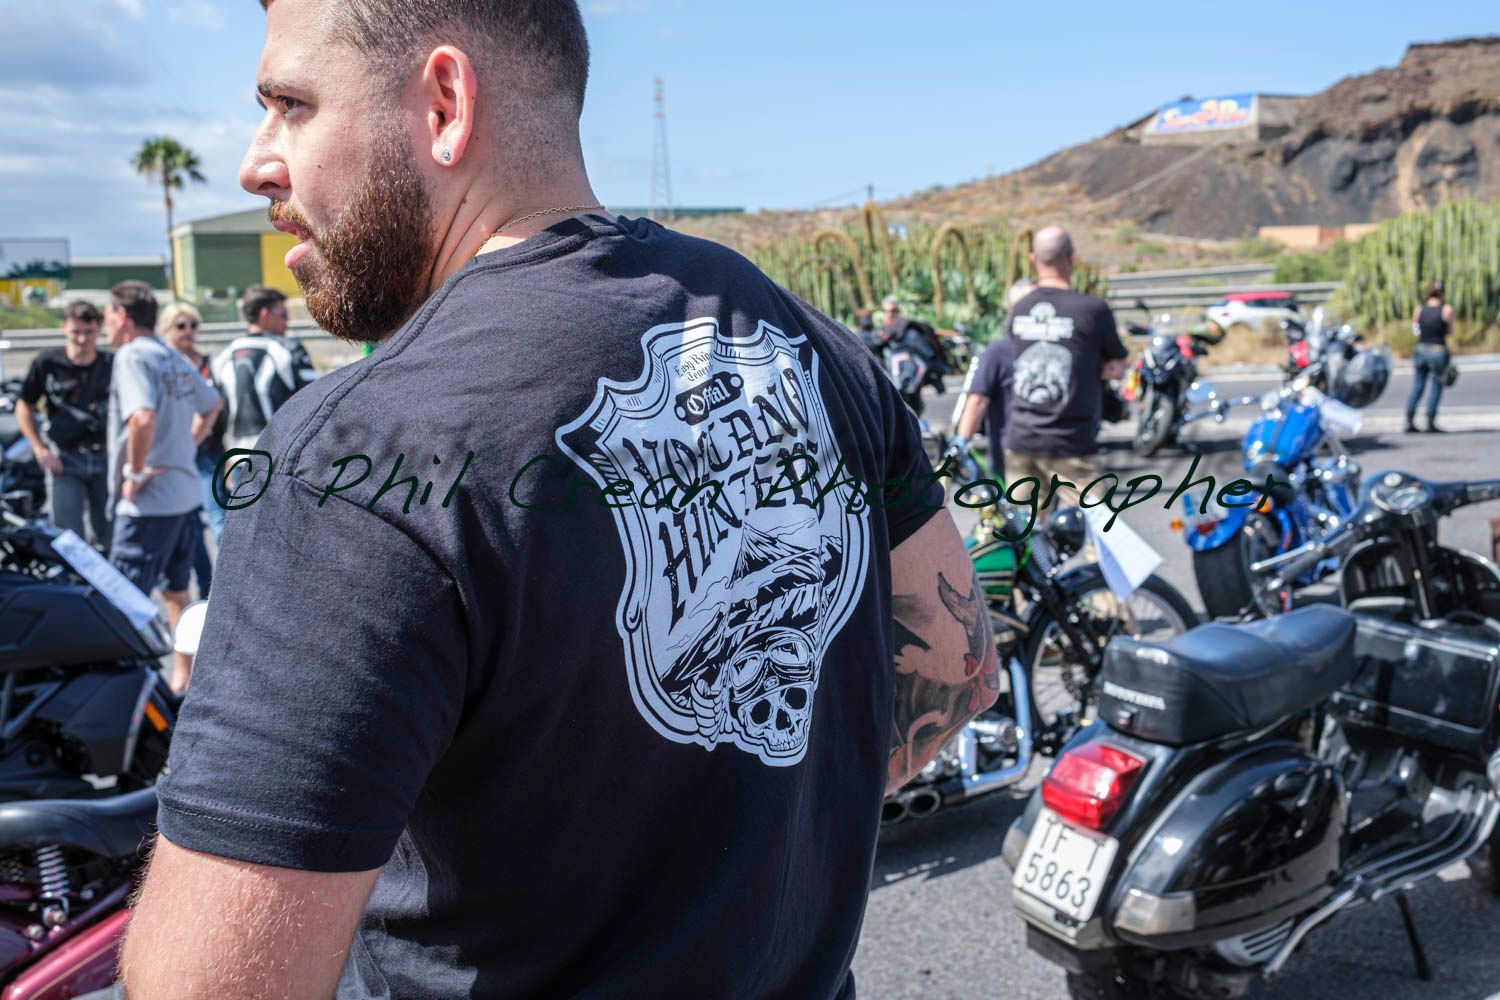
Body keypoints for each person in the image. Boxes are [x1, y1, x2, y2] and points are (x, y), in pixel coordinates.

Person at [120, 3, 998, 998]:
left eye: (291, 104)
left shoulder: (355, 450)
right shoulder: (818, 345)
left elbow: (212, 983)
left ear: (445, 101)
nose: (258, 161)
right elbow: (959, 676)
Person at [103, 281, 223, 692]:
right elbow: (213, 404)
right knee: (177, 592)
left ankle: (129, 689)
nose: (106, 325)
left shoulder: (133, 354)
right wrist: (186, 444)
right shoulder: (171, 355)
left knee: (123, 601)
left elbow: (142, 417)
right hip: (184, 495)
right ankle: (182, 678)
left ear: (121, 316)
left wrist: (135, 472)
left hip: (148, 503)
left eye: (107, 316)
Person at [1000, 227, 1126, 515]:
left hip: (1021, 438)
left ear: (1033, 259)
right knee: (1098, 531)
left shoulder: (1020, 309)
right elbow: (1117, 366)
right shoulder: (1092, 309)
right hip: (1071, 442)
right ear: (1071, 258)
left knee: (1026, 535)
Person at [14, 301, 113, 548]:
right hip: (64, 459)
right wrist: (40, 449)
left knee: (109, 534)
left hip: (105, 457)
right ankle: (74, 586)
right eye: (75, 332)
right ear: (64, 328)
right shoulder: (47, 362)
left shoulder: (111, 363)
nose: (82, 339)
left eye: (88, 333)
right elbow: (24, 406)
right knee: (68, 538)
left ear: (98, 330)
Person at [160, 301, 224, 594]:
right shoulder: (164, 362)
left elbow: (217, 404)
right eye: (180, 326)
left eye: (193, 326)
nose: (188, 332)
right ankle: (204, 588)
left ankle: (224, 587)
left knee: (218, 519)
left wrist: (198, 436)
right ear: (167, 329)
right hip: (175, 456)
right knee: (192, 533)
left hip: (208, 452)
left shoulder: (210, 362)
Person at [210, 284, 318, 455]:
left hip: (236, 459)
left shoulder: (219, 356)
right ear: (265, 314)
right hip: (280, 457)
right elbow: (315, 402)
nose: (287, 321)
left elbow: (213, 415)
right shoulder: (290, 350)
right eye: (283, 314)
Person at [947, 279, 1038, 483]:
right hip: (1014, 457)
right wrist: (960, 443)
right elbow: (977, 401)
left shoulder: (1054, 350)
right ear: (1011, 309)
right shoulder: (998, 352)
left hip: (1054, 453)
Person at [1405, 279, 1454, 434]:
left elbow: (1415, 329)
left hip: (1420, 348)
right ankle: (1430, 422)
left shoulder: (1419, 309)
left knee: (1418, 385)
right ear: (1443, 293)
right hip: (1438, 350)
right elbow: (1450, 331)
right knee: (1435, 386)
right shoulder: (1446, 310)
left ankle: (1409, 420)